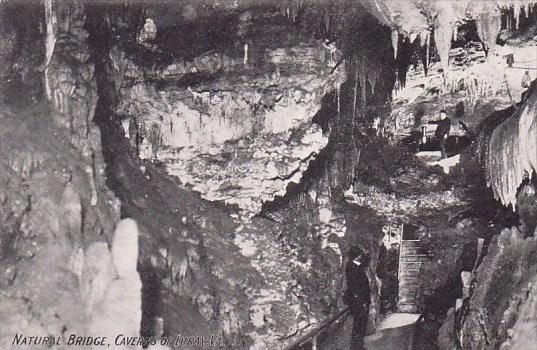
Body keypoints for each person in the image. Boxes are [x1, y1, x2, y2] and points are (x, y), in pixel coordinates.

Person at [344, 246, 370, 350]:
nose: (361, 256)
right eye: (360, 254)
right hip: (358, 301)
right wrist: (362, 301)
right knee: (359, 324)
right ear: (357, 256)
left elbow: (365, 263)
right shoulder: (352, 267)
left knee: (361, 323)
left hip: (360, 300)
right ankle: (356, 347)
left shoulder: (356, 266)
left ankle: (359, 346)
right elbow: (355, 286)